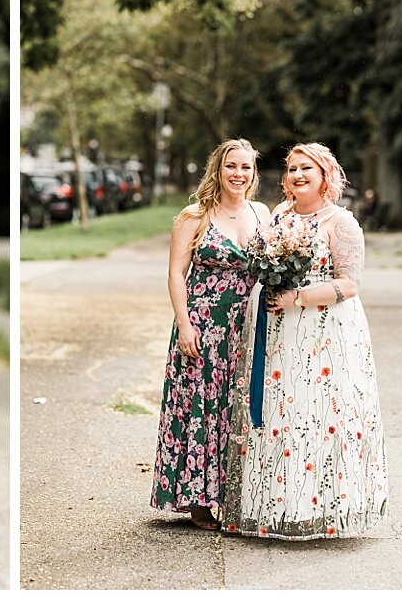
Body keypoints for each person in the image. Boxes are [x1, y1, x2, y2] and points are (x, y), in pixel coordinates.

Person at [221, 143, 388, 540]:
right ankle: (280, 506)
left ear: (324, 176)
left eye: (306, 169)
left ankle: (322, 510)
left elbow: (350, 283)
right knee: (284, 413)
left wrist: (298, 298)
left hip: (327, 332)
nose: (297, 175)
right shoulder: (278, 215)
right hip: (282, 331)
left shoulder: (340, 222)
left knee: (321, 414)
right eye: (292, 169)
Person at [150, 139, 268, 530]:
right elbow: (174, 273)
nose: (238, 174)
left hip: (246, 324)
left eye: (246, 168)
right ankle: (198, 499)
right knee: (202, 406)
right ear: (217, 170)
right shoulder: (194, 216)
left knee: (236, 407)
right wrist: (184, 324)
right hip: (203, 323)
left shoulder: (262, 213)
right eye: (231, 166)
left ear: (253, 174)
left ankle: (234, 493)